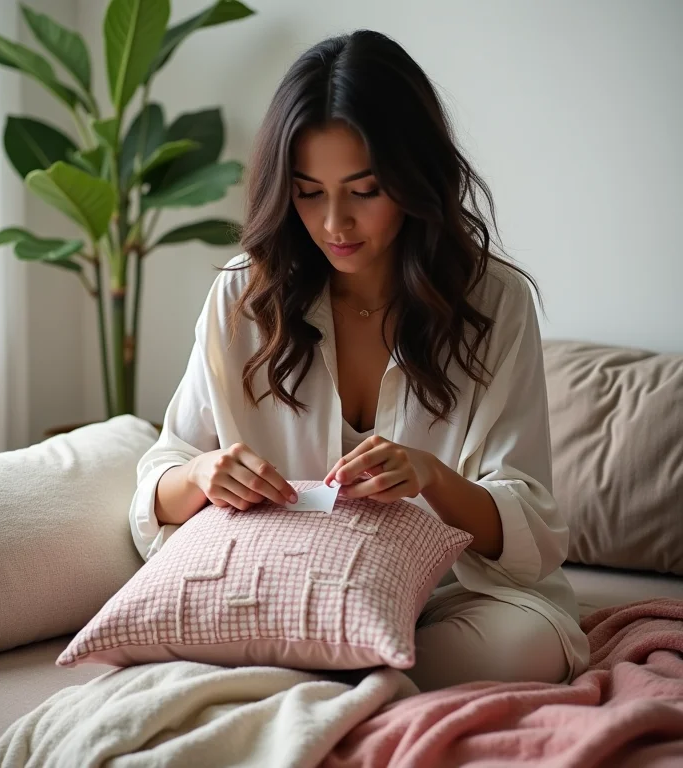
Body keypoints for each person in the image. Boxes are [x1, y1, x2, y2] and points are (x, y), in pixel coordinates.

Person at [129, 29, 590, 692]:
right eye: (309, 192)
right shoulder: (244, 294)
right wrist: (205, 473)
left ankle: (305, 686)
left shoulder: (494, 303)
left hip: (449, 601)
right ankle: (348, 684)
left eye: (365, 191)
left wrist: (429, 476)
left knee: (524, 645)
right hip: (286, 589)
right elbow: (161, 480)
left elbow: (533, 528)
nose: (334, 225)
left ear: (414, 178)